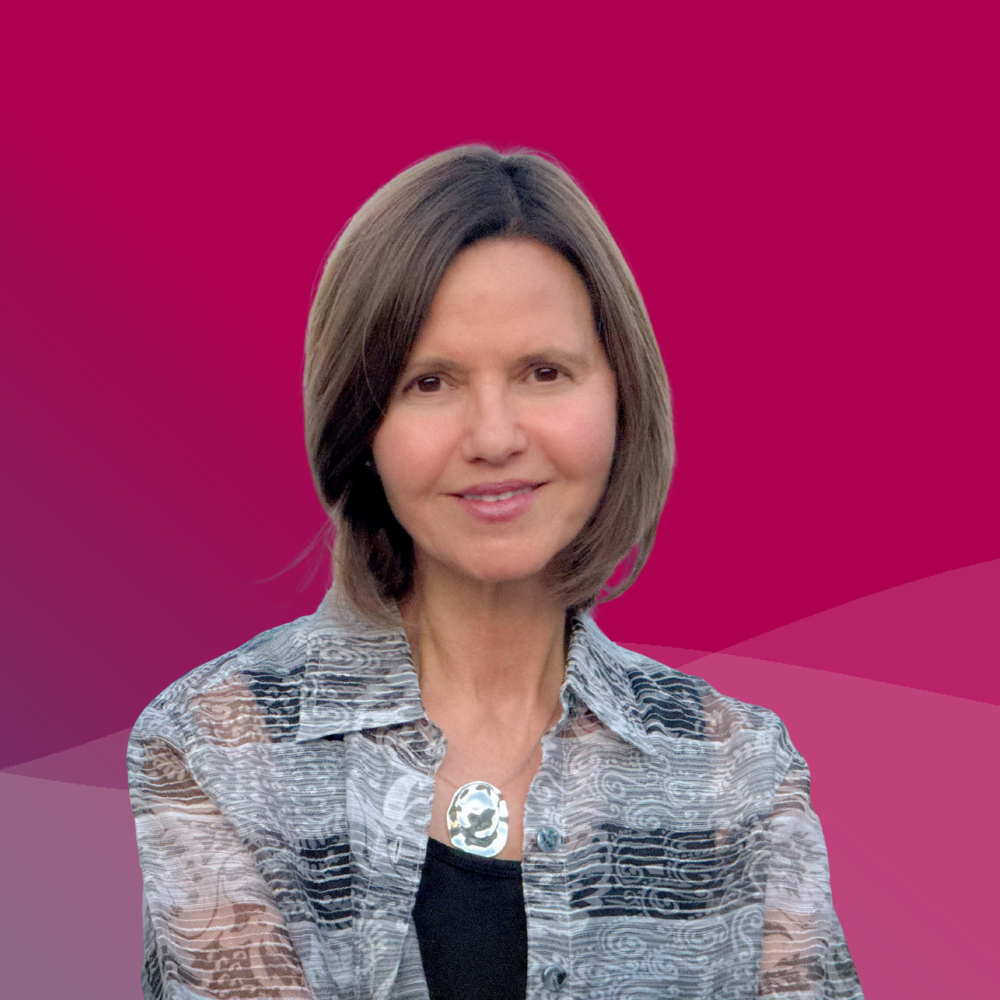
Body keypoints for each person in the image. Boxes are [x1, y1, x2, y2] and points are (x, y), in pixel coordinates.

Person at [128, 145, 862, 1000]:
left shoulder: (738, 767)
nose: (493, 436)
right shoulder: (218, 744)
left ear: (620, 398)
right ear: (361, 426)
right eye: (429, 381)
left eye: (543, 373)